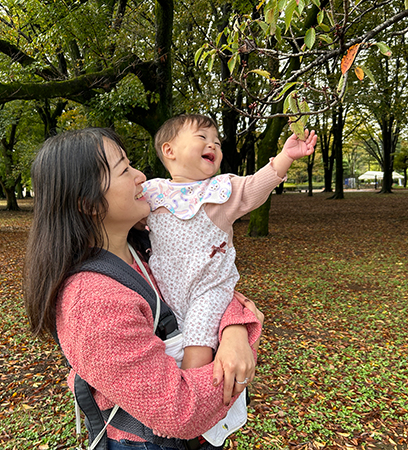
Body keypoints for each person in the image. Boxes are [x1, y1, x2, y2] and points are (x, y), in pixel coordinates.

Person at [23, 127, 264, 450]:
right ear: (88, 203)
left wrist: (234, 330)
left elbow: (206, 285)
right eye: (124, 169)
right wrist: (235, 360)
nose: (140, 176)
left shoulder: (145, 249)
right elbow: (180, 412)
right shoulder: (92, 300)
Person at [143, 114, 316, 372]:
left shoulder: (220, 191)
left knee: (197, 345)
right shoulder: (151, 193)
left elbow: (254, 187)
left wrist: (286, 157)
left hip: (208, 289)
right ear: (169, 150)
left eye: (217, 142)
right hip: (164, 290)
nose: (213, 145)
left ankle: (193, 390)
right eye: (202, 138)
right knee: (163, 347)